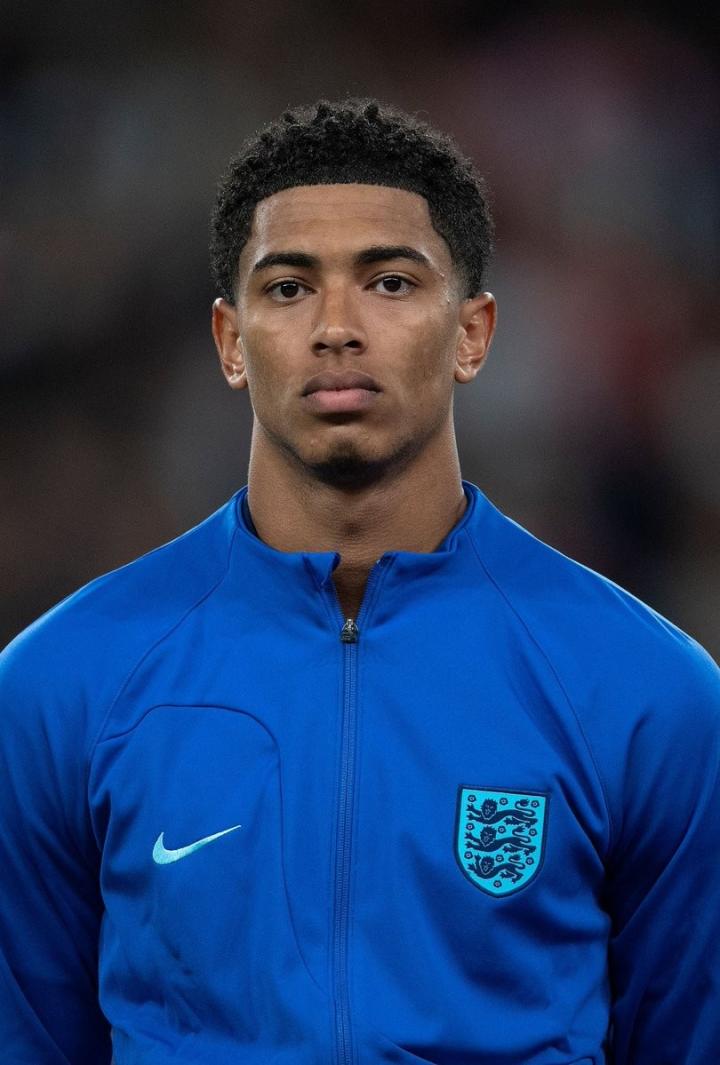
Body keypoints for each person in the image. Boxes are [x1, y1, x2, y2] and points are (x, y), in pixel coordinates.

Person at [0, 98, 718, 1065]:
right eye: (289, 287)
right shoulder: (59, 687)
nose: (337, 326)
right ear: (229, 341)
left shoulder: (647, 693)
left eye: (389, 281)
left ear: (472, 333)